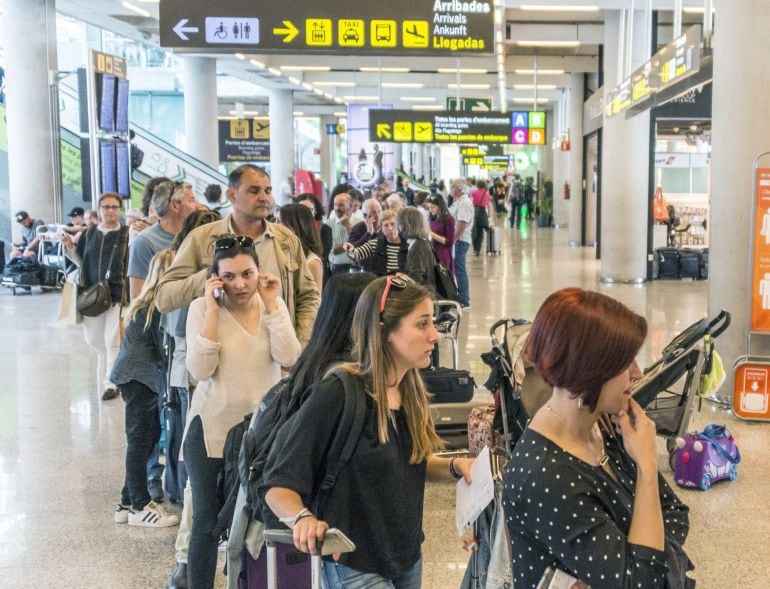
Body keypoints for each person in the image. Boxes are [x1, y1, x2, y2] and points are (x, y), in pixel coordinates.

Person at [261, 275, 474, 588]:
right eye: (422, 324)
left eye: (433, 323)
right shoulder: (336, 394)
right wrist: (302, 519)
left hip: (406, 555)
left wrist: (456, 466)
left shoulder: (410, 389)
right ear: (385, 330)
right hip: (353, 564)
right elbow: (278, 484)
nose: (435, 336)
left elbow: (409, 461)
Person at [502, 288, 691, 589]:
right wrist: (645, 463)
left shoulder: (601, 423)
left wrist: (641, 551)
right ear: (588, 370)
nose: (638, 373)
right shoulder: (547, 475)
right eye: (625, 363)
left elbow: (675, 513)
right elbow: (642, 582)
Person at [184, 236, 301, 589]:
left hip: (259, 435)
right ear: (215, 278)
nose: (240, 284)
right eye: (230, 276)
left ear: (258, 272)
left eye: (247, 274)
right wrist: (212, 311)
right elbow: (199, 370)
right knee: (206, 523)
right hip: (212, 430)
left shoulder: (271, 305)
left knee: (253, 522)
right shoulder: (201, 310)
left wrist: (274, 306)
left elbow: (291, 358)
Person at [154, 164, 320, 348]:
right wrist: (208, 277)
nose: (264, 197)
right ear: (231, 195)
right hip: (221, 361)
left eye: (268, 191)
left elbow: (308, 297)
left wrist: (300, 346)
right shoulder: (202, 238)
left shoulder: (286, 240)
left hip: (278, 362)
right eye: (254, 191)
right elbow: (163, 298)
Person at [111, 250, 180, 529]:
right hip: (140, 378)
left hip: (134, 377)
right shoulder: (157, 307)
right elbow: (164, 352)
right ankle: (139, 505)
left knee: (146, 437)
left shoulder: (144, 303)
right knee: (140, 441)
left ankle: (126, 502)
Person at [61, 193, 129, 400]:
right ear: (99, 209)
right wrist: (70, 248)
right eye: (106, 207)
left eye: (114, 207)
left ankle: (112, 382)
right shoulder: (89, 234)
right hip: (91, 295)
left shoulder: (127, 234)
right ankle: (111, 367)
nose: (110, 211)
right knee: (94, 339)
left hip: (117, 294)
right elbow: (81, 262)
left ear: (120, 210)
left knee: (112, 340)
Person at [128, 180, 197, 300]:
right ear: (175, 206)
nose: (196, 206)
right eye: (191, 200)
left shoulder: (196, 235)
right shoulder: (144, 242)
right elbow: (137, 295)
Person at [343, 210, 408, 276]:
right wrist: (349, 249)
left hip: (404, 283)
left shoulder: (408, 244)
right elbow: (356, 255)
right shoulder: (376, 243)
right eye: (386, 225)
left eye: (393, 224)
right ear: (381, 228)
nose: (390, 228)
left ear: (398, 225)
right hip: (382, 284)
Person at [279, 204, 324, 293]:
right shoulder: (281, 253)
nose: (275, 225)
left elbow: (314, 302)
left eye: (280, 222)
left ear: (295, 226)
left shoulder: (312, 263)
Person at [296, 192, 333, 287]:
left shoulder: (324, 229)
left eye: (310, 210)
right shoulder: (291, 229)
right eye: (301, 210)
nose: (305, 213)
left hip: (317, 275)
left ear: (315, 211)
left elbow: (323, 253)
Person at [448, 179, 473, 308]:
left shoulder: (464, 202)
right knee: (456, 269)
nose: (450, 189)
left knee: (459, 269)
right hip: (457, 241)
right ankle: (459, 296)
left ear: (459, 189)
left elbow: (462, 223)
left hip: (460, 241)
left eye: (452, 187)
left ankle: (464, 299)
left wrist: (453, 239)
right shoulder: (457, 202)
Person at [397, 207, 435, 291]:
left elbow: (416, 279)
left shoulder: (418, 246)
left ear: (406, 225)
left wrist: (402, 277)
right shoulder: (423, 241)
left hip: (423, 294)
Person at [325, 192, 355, 275]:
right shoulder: (328, 224)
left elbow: (361, 246)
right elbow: (333, 249)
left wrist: (347, 227)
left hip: (356, 267)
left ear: (350, 206)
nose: (337, 208)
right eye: (335, 204)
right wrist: (352, 244)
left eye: (341, 205)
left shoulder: (360, 222)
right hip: (336, 268)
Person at [427, 194, 455, 275]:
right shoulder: (433, 217)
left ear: (440, 206)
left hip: (443, 254)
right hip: (434, 251)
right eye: (429, 207)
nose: (430, 210)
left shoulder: (449, 219)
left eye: (432, 207)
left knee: (444, 280)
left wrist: (432, 234)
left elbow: (450, 241)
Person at [470, 180, 492, 256]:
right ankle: (478, 250)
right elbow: (489, 206)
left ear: (477, 185)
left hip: (474, 213)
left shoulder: (474, 193)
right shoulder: (487, 194)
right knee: (480, 233)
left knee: (473, 232)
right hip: (482, 214)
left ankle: (475, 249)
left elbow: (470, 203)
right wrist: (489, 215)